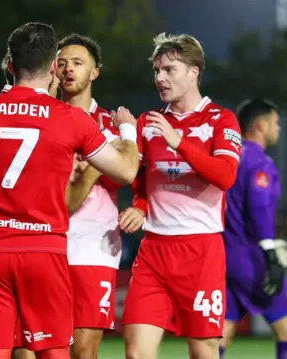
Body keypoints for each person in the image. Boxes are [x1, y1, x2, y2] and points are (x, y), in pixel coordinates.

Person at [0, 22, 139, 359]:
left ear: (11, 65)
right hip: (44, 249)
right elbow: (128, 170)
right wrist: (128, 130)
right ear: (54, 67)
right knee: (52, 352)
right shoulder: (71, 119)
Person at [120, 33, 242, 359]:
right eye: (157, 70)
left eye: (170, 69)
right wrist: (140, 205)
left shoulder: (220, 119)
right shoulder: (149, 123)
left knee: (203, 351)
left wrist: (179, 143)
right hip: (154, 252)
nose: (160, 78)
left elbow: (225, 176)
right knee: (136, 352)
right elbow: (142, 179)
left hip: (200, 250)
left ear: (194, 72)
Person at [56, 33, 124, 359]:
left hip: (93, 249)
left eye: (78, 63)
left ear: (94, 72)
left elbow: (136, 178)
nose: (69, 69)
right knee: (39, 346)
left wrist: (138, 205)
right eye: (63, 63)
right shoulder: (43, 119)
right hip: (45, 243)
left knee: (84, 350)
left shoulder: (111, 125)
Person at [221, 98, 287, 359]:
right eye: (276, 123)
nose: (278, 128)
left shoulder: (228, 158)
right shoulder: (259, 162)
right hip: (252, 258)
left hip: (225, 255)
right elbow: (257, 207)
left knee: (222, 333)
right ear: (261, 125)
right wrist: (270, 251)